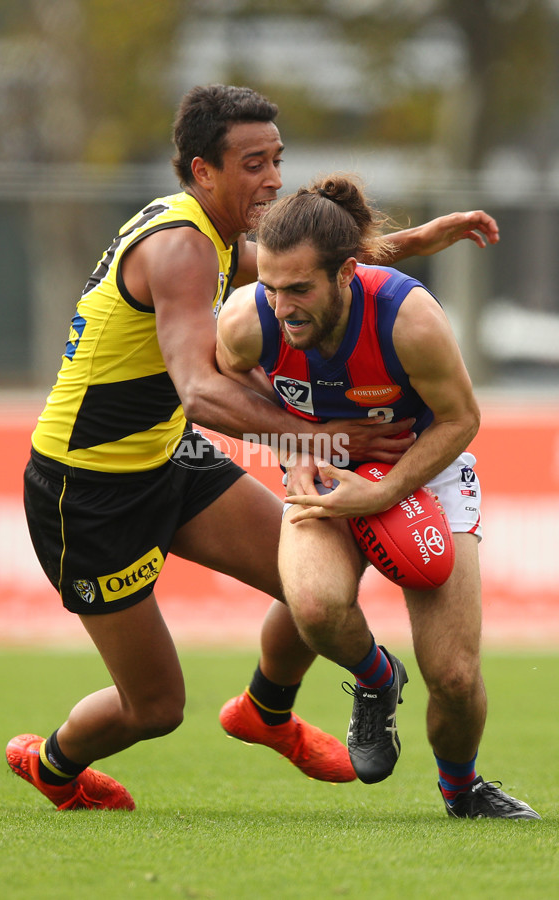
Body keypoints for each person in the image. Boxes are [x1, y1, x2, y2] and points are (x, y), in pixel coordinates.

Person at [6, 83, 502, 810]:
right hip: (88, 488)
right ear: (203, 171)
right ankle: (53, 764)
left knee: (312, 581)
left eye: (276, 159)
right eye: (252, 163)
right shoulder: (179, 247)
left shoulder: (210, 234)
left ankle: (265, 710)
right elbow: (201, 394)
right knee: (156, 708)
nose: (272, 179)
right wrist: (320, 436)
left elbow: (307, 269)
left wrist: (408, 243)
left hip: (167, 456)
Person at [216, 172, 540, 819]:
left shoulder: (408, 318)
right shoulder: (247, 320)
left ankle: (462, 789)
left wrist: (387, 488)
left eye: (300, 289)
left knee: (453, 675)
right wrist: (293, 449)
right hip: (327, 468)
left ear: (347, 274)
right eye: (273, 287)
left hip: (421, 468)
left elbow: (460, 419)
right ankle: (376, 679)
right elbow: (231, 383)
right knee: (311, 604)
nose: (283, 306)